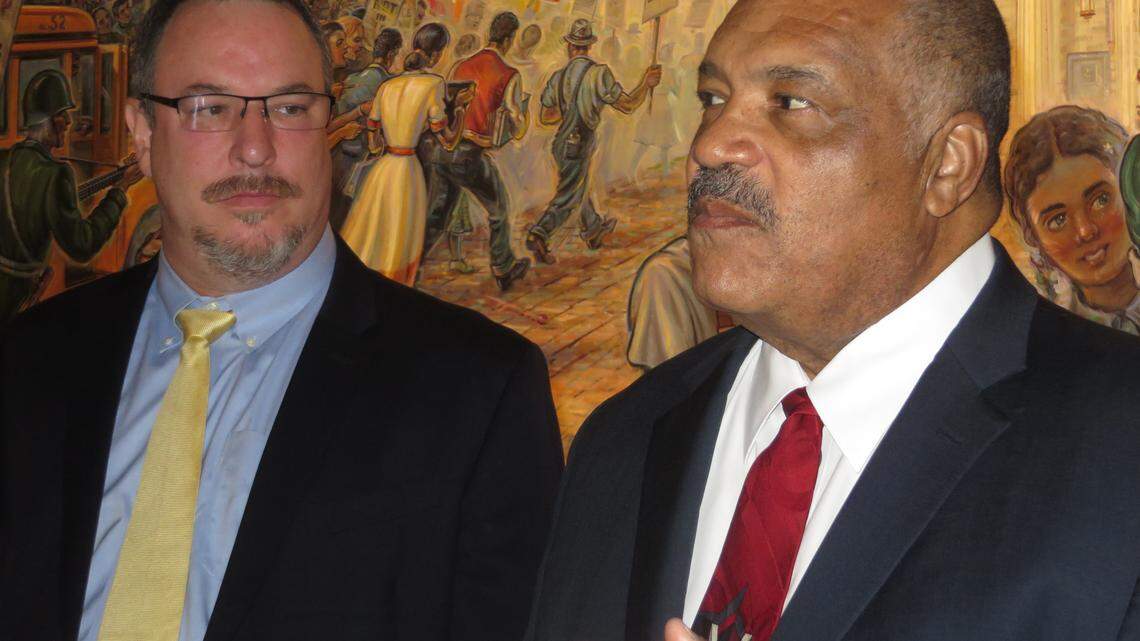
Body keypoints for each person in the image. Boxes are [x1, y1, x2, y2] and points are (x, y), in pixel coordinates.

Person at [525, 1, 1140, 640]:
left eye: (791, 103)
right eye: (713, 98)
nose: (709, 146)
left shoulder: (1122, 450)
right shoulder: (624, 440)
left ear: (947, 164)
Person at [0, 2, 563, 641]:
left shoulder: (481, 392)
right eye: (209, 108)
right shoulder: (28, 362)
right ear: (144, 134)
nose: (256, 148)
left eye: (290, 108)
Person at [0, 69, 142, 323]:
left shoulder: (5, 160)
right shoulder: (57, 174)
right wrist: (120, 190)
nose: (68, 122)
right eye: (63, 115)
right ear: (52, 120)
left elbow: (35, 205)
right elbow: (82, 246)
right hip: (18, 297)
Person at [340, 23, 473, 286]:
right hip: (407, 168)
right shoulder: (435, 83)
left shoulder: (388, 86)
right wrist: (459, 109)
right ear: (437, 54)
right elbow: (447, 140)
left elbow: (374, 140)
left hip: (384, 168)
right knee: (401, 237)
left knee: (373, 233)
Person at [525, 18, 661, 265]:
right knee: (568, 195)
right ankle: (539, 233)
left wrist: (569, 110)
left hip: (560, 144)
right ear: (588, 46)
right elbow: (628, 105)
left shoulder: (558, 76)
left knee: (576, 185)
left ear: (570, 46)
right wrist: (646, 83)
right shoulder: (600, 74)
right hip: (580, 142)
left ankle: (593, 229)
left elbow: (546, 117)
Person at [421, 11, 532, 291]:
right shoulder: (509, 74)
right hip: (471, 154)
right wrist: (522, 121)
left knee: (436, 216)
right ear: (508, 39)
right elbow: (516, 123)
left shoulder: (459, 66)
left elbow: (443, 108)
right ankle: (502, 267)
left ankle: (410, 262)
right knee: (499, 208)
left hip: (443, 151)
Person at [1004, 106, 1140, 334]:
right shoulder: (1038, 334)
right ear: (1033, 237)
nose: (1086, 230)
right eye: (1057, 220)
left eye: (1101, 200)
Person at [327, 26, 403, 232]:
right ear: (392, 54)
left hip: (337, 159)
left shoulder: (350, 80)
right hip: (362, 162)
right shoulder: (389, 85)